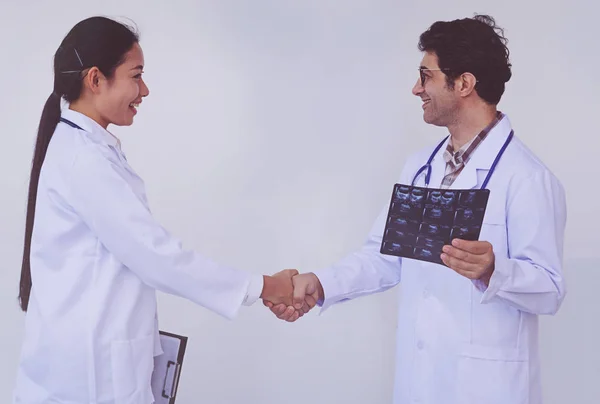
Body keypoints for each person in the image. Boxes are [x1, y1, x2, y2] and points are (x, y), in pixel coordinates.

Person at [266, 14, 567, 404]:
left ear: (463, 83)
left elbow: (550, 291)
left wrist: (495, 270)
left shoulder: (528, 178)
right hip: (419, 380)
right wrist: (321, 283)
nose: (415, 88)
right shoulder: (420, 167)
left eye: (425, 76)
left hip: (485, 387)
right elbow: (384, 255)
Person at [14, 16, 305, 404]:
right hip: (86, 380)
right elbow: (157, 257)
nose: (145, 90)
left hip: (93, 369)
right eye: (136, 75)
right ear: (96, 79)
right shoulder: (83, 161)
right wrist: (266, 286)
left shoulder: (87, 150)